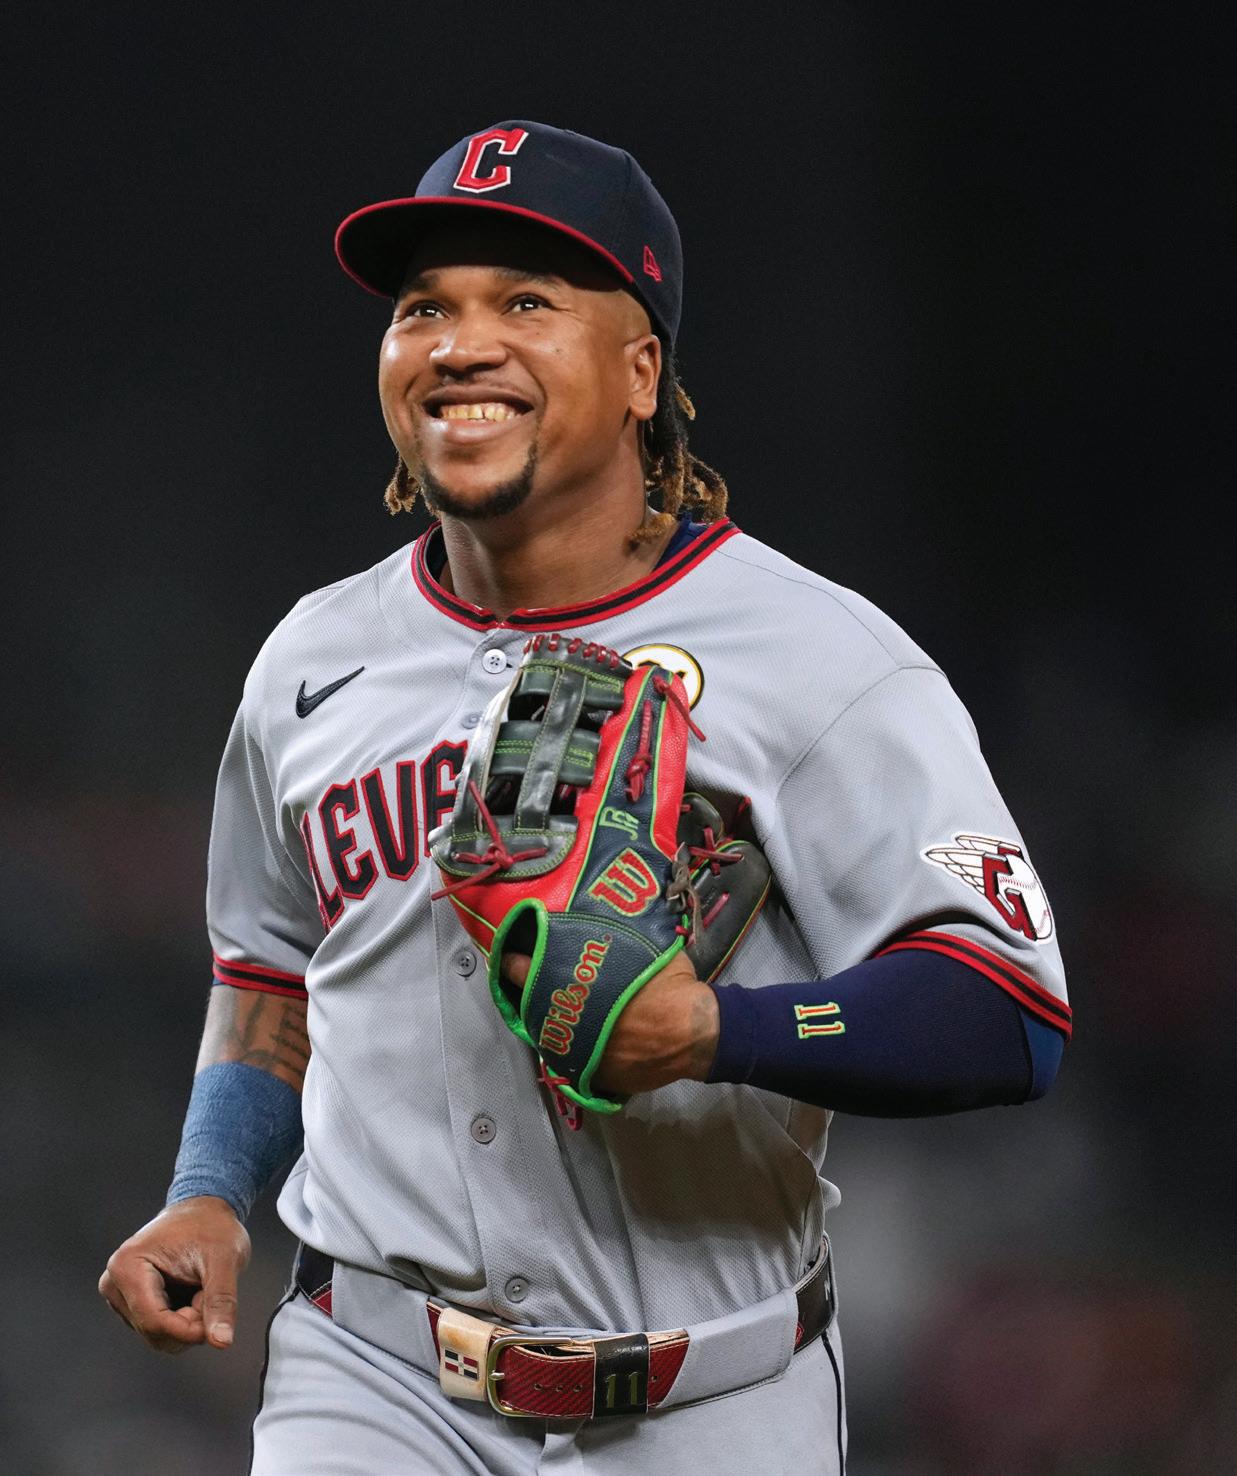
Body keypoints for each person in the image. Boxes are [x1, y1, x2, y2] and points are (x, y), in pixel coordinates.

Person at [99, 121, 1070, 1475]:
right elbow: (267, 969)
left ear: (640, 372)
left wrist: (714, 1030)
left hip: (710, 1397)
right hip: (374, 1380)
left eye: (526, 303)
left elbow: (1009, 1012)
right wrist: (210, 1192)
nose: (461, 345)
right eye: (424, 308)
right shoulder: (312, 662)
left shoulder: (821, 659)